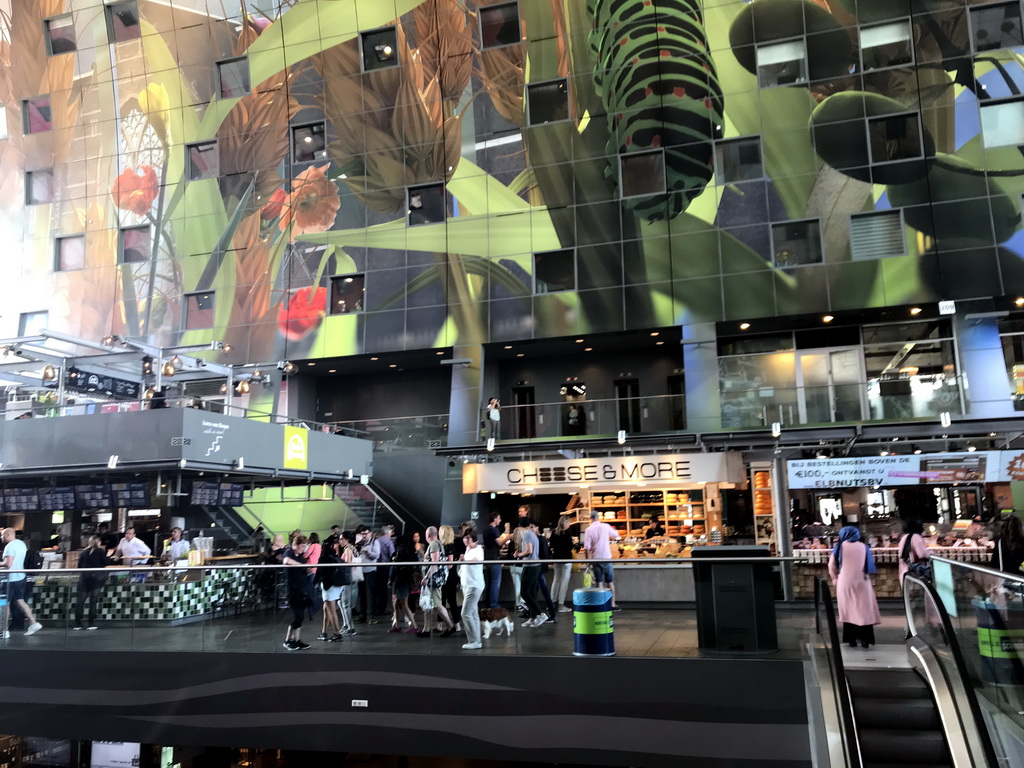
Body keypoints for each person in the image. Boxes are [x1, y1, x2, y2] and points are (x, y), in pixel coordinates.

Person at [828, 526, 881, 649]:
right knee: (863, 610)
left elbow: (831, 565)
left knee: (849, 609)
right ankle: (865, 640)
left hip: (844, 581)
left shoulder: (839, 547)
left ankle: (851, 640)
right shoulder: (864, 547)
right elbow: (869, 566)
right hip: (862, 581)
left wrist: (834, 578)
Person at [1, 529, 41, 636]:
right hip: (20, 577)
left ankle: (4, 630)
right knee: (20, 601)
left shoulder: (9, 546)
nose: (1, 537)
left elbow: (8, 564)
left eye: (2, 535)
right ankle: (33, 623)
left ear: (7, 534)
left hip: (9, 579)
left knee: (4, 604)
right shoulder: (21, 544)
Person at [418, 526, 456, 638]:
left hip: (433, 581)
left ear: (428, 535)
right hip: (433, 580)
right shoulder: (438, 544)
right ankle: (426, 629)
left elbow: (434, 563)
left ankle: (450, 626)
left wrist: (426, 577)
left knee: (437, 605)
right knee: (430, 603)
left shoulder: (434, 544)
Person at [583, 510, 621, 611]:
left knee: (599, 582)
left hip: (596, 558)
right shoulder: (605, 526)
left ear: (590, 519)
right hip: (607, 557)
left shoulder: (588, 530)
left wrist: (587, 561)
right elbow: (616, 535)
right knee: (610, 582)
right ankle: (612, 604)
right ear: (598, 517)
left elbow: (586, 547)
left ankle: (601, 604)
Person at [74, 536, 112, 631]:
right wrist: (109, 555)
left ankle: (78, 624)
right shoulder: (100, 552)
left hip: (84, 578)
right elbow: (106, 562)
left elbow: (79, 566)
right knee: (93, 601)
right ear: (98, 542)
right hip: (96, 579)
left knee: (80, 602)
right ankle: (91, 623)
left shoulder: (83, 552)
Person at [514, 518, 546, 627]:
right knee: (532, 593)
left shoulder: (527, 535)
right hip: (536, 566)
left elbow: (529, 551)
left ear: (520, 526)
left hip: (530, 566)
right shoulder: (533, 534)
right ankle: (533, 617)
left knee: (524, 592)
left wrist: (518, 555)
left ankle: (540, 614)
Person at [282, 535, 311, 650]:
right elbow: (286, 561)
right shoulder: (289, 553)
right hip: (292, 590)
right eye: (302, 546)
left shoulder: (302, 557)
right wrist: (302, 566)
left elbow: (305, 570)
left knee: (301, 616)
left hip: (301, 589)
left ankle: (297, 639)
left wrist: (307, 569)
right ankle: (288, 640)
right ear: (297, 545)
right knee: (297, 615)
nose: (304, 548)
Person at [317, 537, 346, 642]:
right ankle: (324, 632)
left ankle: (337, 633)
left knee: (331, 611)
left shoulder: (324, 558)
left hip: (329, 587)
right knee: (327, 609)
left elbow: (319, 573)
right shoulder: (336, 557)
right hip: (337, 586)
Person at [460, 524, 484, 650]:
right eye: (464, 538)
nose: (466, 540)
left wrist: (464, 560)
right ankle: (476, 640)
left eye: (468, 538)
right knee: (473, 613)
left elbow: (475, 560)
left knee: (466, 613)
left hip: (474, 585)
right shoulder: (468, 549)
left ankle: (474, 640)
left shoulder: (478, 549)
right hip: (467, 585)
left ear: (473, 538)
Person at [389, 539, 419, 634]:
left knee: (404, 605)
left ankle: (414, 626)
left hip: (401, 583)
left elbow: (394, 572)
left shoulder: (398, 562)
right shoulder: (410, 561)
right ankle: (397, 625)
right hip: (406, 583)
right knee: (396, 604)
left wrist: (391, 580)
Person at [354, 525, 381, 623]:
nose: (364, 536)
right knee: (362, 594)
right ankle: (363, 615)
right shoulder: (360, 542)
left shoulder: (375, 542)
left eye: (365, 533)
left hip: (370, 571)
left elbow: (376, 556)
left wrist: (367, 551)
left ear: (370, 533)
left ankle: (372, 616)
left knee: (371, 594)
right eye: (362, 534)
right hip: (361, 571)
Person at [439, 525, 463, 633]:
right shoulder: (444, 546)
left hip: (449, 577)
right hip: (447, 576)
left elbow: (450, 564)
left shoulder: (450, 547)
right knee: (442, 600)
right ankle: (439, 624)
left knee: (451, 600)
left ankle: (456, 624)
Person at [549, 515, 574, 613]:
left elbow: (551, 545)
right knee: (564, 581)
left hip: (556, 559)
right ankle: (561, 604)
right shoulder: (567, 533)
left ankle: (551, 602)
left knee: (556, 580)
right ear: (566, 523)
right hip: (566, 559)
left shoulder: (554, 532)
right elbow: (570, 546)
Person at [533, 522, 557, 624]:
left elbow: (541, 555)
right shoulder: (541, 539)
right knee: (538, 591)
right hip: (541, 568)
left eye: (532, 527)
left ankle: (549, 614)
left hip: (539, 568)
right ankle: (538, 614)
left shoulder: (538, 539)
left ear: (537, 527)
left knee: (540, 591)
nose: (531, 529)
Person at [337, 530, 359, 637]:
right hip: (351, 579)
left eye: (341, 539)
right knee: (341, 603)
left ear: (346, 539)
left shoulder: (348, 550)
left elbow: (347, 564)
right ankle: (346, 624)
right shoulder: (352, 548)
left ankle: (351, 627)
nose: (339, 541)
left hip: (348, 579)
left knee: (345, 603)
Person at [898, 519, 931, 585]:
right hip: (914, 573)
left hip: (904, 570)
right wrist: (932, 553)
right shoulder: (916, 537)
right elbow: (922, 554)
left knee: (907, 593)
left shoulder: (904, 537)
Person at [483, 512, 504, 609]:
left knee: (489, 582)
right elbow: (499, 542)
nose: (500, 520)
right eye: (499, 518)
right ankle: (494, 605)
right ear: (495, 519)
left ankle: (487, 604)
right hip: (494, 559)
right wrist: (508, 537)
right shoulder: (494, 530)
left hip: (487, 558)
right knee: (495, 582)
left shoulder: (486, 529)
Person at [376, 525, 396, 619]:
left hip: (376, 567)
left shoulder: (377, 541)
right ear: (388, 533)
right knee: (383, 589)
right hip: (385, 567)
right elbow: (392, 555)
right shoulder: (389, 542)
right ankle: (382, 609)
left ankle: (376, 608)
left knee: (377, 588)